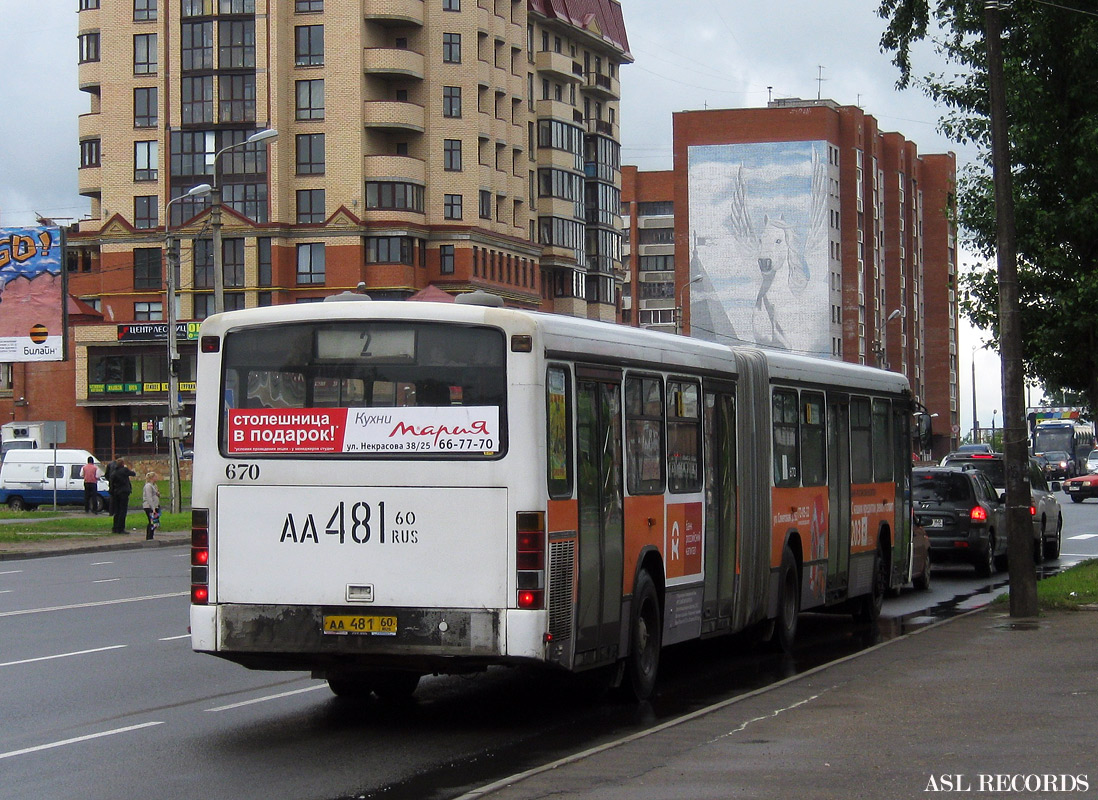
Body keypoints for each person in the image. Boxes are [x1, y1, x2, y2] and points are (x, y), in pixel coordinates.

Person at [108, 458, 136, 534]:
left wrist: (111, 491)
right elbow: (133, 474)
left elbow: (111, 484)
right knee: (123, 511)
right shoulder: (124, 470)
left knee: (117, 511)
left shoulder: (114, 473)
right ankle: (121, 528)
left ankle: (115, 528)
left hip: (116, 492)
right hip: (124, 492)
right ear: (123, 464)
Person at [142, 471, 160, 540]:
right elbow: (149, 497)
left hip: (155, 506)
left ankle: (151, 535)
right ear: (152, 478)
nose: (157, 478)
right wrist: (153, 508)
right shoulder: (148, 486)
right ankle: (149, 536)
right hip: (149, 507)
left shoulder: (154, 485)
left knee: (155, 522)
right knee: (152, 521)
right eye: (155, 477)